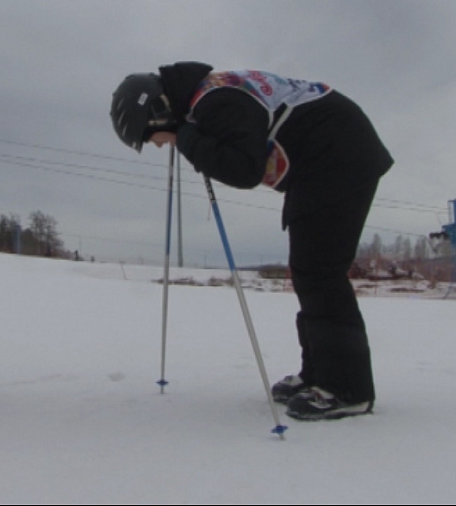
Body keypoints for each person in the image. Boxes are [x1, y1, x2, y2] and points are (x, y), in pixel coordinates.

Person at [110, 63, 393, 420]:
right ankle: (320, 375)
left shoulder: (217, 101)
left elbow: (245, 168)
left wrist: (185, 138)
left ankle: (346, 389)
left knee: (320, 272)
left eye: (151, 137)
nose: (156, 145)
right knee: (309, 271)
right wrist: (189, 136)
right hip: (328, 157)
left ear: (159, 114)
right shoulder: (211, 95)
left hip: (338, 157)